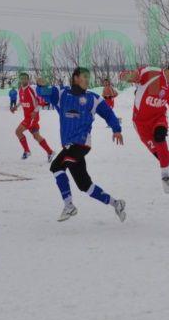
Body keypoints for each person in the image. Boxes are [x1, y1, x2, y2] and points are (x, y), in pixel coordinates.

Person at [35, 68, 126, 222]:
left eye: (88, 77)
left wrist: (116, 129)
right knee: (85, 186)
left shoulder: (92, 98)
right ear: (76, 78)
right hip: (69, 147)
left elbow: (108, 113)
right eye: (85, 77)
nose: (88, 80)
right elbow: (43, 92)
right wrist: (40, 85)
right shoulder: (62, 94)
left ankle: (69, 205)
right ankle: (116, 204)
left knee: (56, 166)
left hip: (81, 144)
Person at [120, 57, 169, 194]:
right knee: (163, 157)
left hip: (159, 118)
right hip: (141, 123)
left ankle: (165, 177)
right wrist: (127, 76)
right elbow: (133, 75)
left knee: (160, 135)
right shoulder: (153, 74)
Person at [12, 72, 54, 161]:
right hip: (27, 117)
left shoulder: (32, 89)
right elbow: (21, 100)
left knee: (18, 131)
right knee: (36, 136)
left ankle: (27, 151)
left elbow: (40, 100)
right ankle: (50, 152)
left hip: (32, 118)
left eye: (25, 78)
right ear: (20, 79)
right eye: (22, 78)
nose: (23, 80)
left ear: (28, 79)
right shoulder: (20, 90)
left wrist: (35, 111)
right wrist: (16, 106)